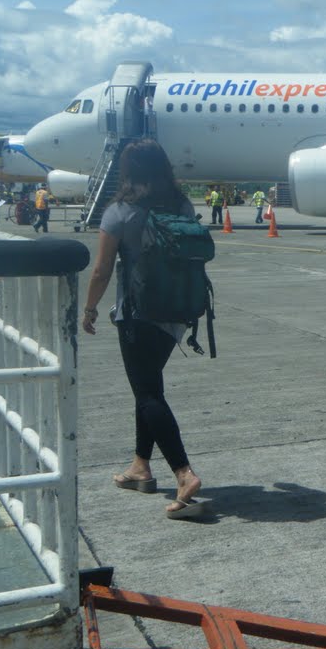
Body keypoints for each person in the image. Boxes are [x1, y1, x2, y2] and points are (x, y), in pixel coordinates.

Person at [82, 139, 207, 520]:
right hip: (175, 314)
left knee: (148, 393)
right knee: (148, 389)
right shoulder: (182, 206)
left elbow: (102, 270)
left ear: (128, 172)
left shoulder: (119, 212)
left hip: (137, 315)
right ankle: (140, 466)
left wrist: (89, 308)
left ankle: (184, 474)